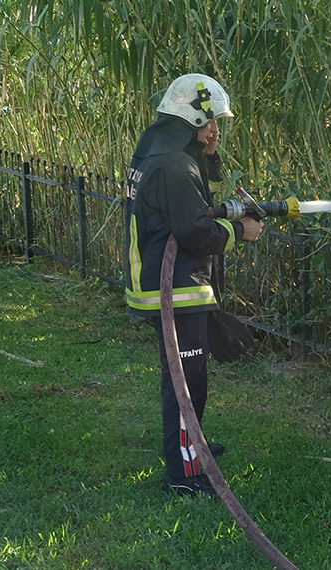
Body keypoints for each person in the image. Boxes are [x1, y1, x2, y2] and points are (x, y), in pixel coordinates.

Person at [124, 73, 262, 497]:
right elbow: (196, 233)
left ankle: (193, 448)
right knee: (186, 383)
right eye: (209, 123)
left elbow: (196, 199)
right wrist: (241, 231)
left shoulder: (161, 152)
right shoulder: (172, 166)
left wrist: (210, 151)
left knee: (189, 377)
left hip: (171, 287)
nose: (215, 130)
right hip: (174, 291)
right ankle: (183, 476)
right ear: (188, 117)